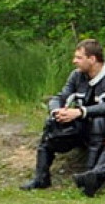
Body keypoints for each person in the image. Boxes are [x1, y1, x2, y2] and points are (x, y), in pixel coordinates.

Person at [21, 38, 105, 193]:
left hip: (101, 131)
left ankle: (90, 178)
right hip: (82, 129)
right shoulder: (76, 76)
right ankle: (41, 178)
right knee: (52, 122)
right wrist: (57, 111)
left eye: (79, 58)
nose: (74, 61)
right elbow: (59, 97)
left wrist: (81, 112)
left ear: (92, 59)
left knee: (99, 121)